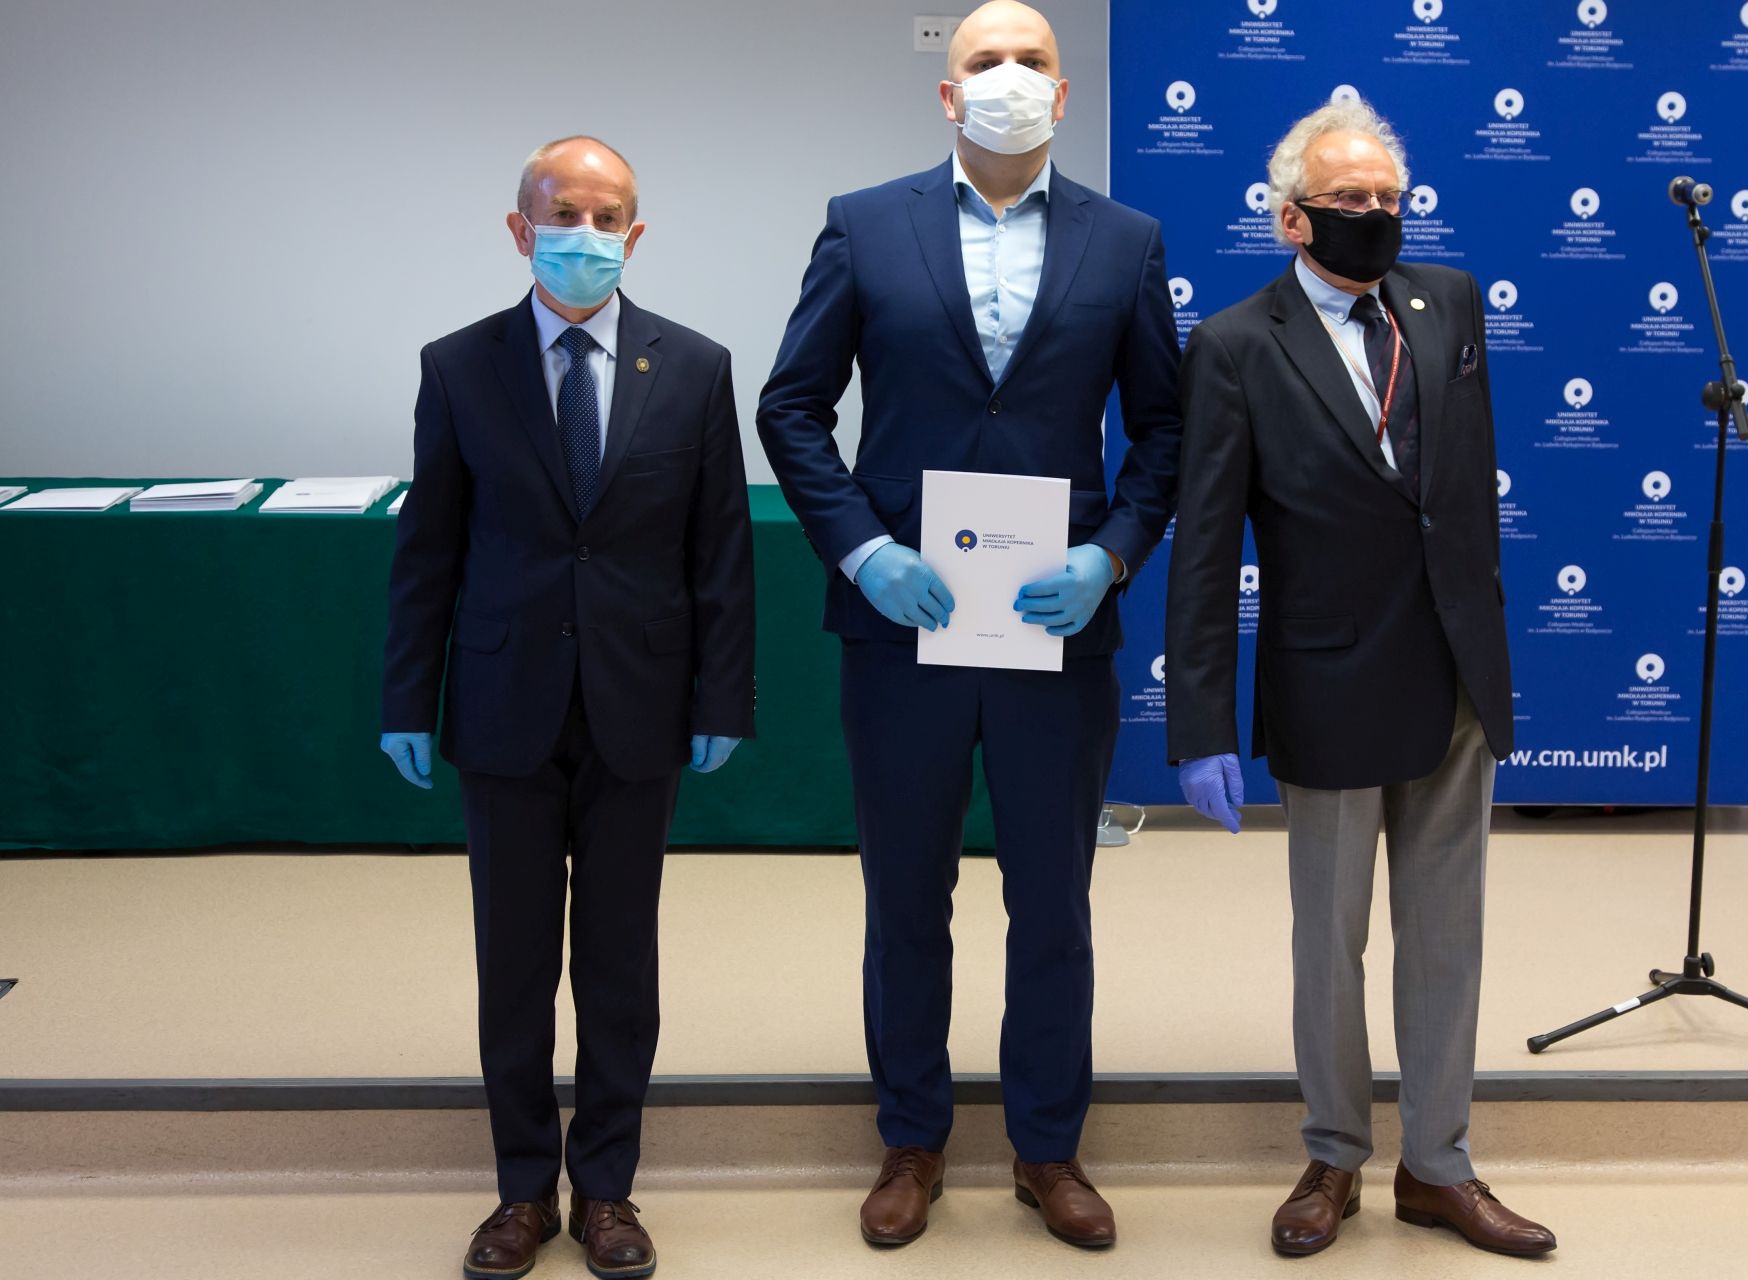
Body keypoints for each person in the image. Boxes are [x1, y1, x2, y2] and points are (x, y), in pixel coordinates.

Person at [757, 0, 1180, 1251]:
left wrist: (1112, 554)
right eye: (982, 61)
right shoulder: (864, 224)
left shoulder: (1126, 240)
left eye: (1031, 60)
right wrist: (865, 549)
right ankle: (912, 1138)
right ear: (947, 95)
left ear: (1064, 90)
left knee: (1053, 900)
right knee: (906, 895)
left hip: (1057, 630)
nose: (1007, 76)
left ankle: (1048, 1146)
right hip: (904, 624)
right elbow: (791, 407)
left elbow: (1165, 427)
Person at [1164, 99, 1555, 1259]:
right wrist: (1200, 719)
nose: (1376, 215)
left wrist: (1488, 647)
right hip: (1327, 676)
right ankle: (1333, 1152)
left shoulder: (1451, 302)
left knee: (1445, 938)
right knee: (1329, 944)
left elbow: (1460, 489)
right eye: (1350, 200)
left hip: (1453, 675)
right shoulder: (1236, 343)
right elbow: (1205, 544)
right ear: (1293, 217)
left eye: (1390, 197)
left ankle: (1439, 1165)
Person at [379, 135, 755, 1280]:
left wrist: (724, 695)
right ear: (519, 229)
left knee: (618, 959)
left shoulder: (694, 366)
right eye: (562, 214)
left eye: (606, 217)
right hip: (504, 702)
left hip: (641, 700)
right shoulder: (459, 366)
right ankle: (517, 1189)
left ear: (635, 234)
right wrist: (407, 694)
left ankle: (606, 1187)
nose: (583, 235)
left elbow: (720, 550)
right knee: (514, 957)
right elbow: (429, 546)